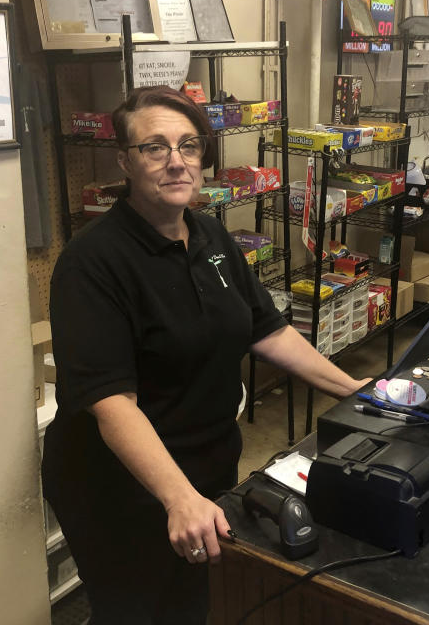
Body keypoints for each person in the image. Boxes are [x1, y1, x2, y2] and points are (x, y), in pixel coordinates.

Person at [42, 85, 367, 624]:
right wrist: (178, 498)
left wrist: (358, 392)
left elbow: (266, 330)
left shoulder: (210, 234)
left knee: (196, 603)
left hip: (207, 462)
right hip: (117, 486)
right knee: (138, 612)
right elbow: (111, 401)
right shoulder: (92, 264)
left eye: (189, 146)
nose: (176, 162)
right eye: (155, 148)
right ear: (125, 161)